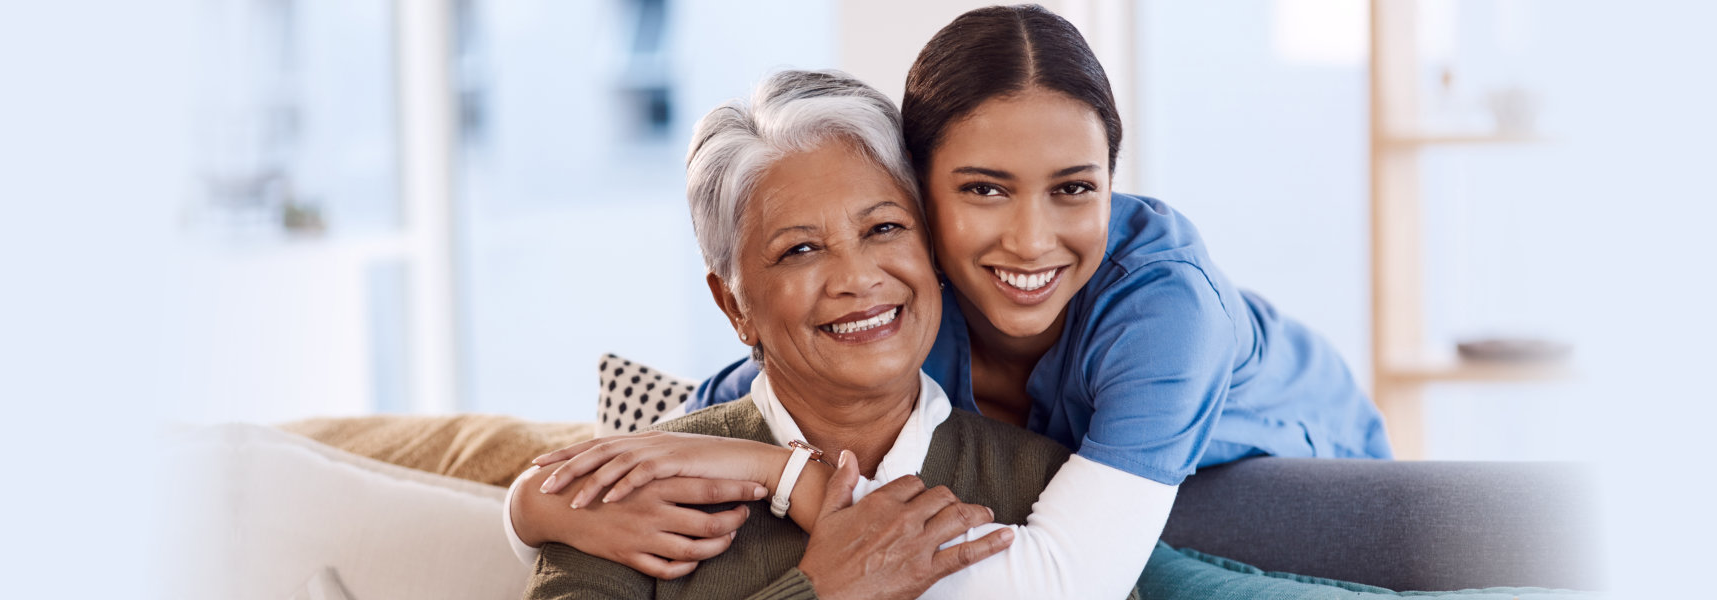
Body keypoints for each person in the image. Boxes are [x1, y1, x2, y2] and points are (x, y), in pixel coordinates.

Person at [525, 4, 1391, 596]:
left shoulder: (1163, 309)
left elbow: (1062, 582)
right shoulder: (902, 309)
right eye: (983, 190)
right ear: (923, 198)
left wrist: (790, 483)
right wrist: (527, 508)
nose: (1029, 239)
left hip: (1302, 479)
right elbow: (707, 426)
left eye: (1075, 187)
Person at [508, 69, 1142, 600]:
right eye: (802, 249)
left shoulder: (1042, 487)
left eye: (885, 229)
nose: (857, 279)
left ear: (934, 253)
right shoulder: (630, 495)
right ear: (734, 305)